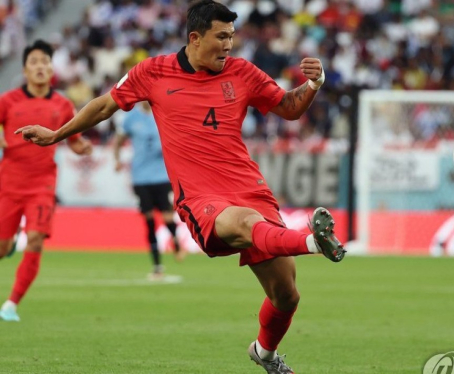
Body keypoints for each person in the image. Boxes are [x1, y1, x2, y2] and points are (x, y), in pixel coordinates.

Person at [15, 2, 345, 373]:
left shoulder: (242, 73)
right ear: (195, 38)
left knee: (286, 295)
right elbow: (106, 105)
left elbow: (288, 107)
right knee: (245, 223)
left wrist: (313, 84)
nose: (229, 46)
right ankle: (313, 242)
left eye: (232, 38)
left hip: (248, 186)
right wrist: (58, 134)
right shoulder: (153, 72)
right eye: (221, 37)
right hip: (201, 197)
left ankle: (265, 354)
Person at [0, 40, 92, 322]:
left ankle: (11, 305)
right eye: (35, 62)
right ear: (25, 69)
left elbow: (74, 141)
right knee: (1, 248)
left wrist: (83, 148)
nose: (41, 67)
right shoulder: (7, 101)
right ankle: (9, 243)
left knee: (37, 239)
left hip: (42, 185)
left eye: (45, 62)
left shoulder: (63, 104)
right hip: (9, 184)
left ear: (52, 68)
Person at [112, 101, 185, 280]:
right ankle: (157, 266)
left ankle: (175, 239)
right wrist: (117, 159)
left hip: (162, 175)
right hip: (140, 177)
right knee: (149, 220)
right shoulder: (130, 118)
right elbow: (118, 141)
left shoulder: (164, 112)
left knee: (168, 216)